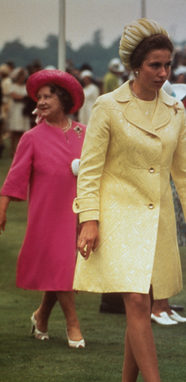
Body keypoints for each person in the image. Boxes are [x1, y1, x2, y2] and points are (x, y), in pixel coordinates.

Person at [72, 18, 186, 382]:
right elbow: (89, 172)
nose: (163, 74)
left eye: (168, 66)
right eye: (155, 66)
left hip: (158, 221)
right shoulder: (108, 105)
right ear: (135, 65)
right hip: (116, 216)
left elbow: (184, 173)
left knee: (139, 309)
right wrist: (88, 220)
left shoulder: (175, 110)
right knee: (139, 303)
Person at [0, 70, 86, 348]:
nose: (41, 101)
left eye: (48, 96)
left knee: (60, 267)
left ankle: (41, 316)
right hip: (47, 213)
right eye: (39, 97)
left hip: (80, 212)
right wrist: (2, 208)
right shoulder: (31, 137)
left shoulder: (85, 134)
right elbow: (15, 178)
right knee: (61, 265)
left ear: (63, 99)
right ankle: (73, 324)